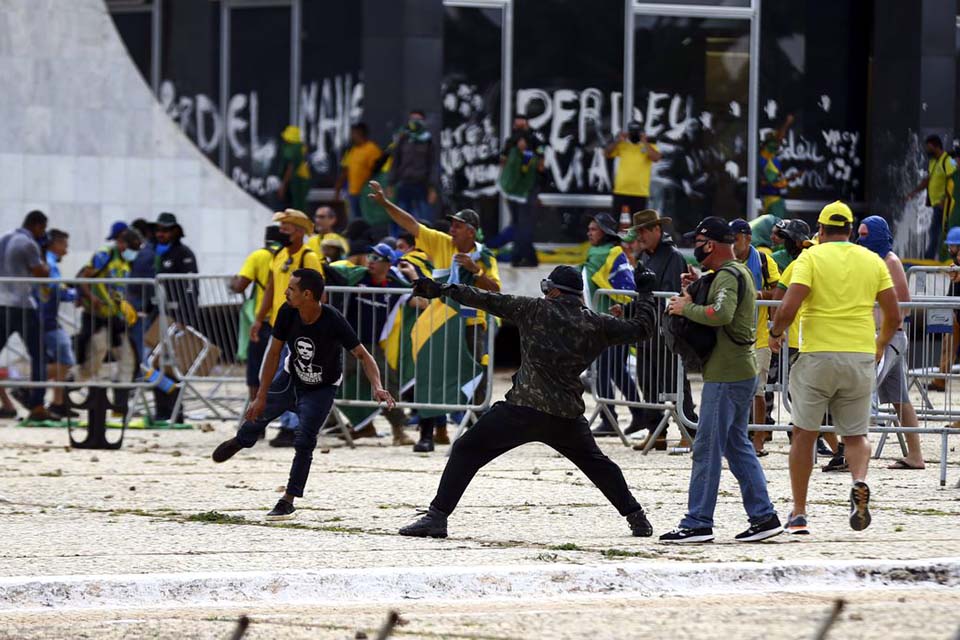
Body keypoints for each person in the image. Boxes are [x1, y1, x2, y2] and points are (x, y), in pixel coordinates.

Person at [398, 264, 659, 539]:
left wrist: (441, 289)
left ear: (554, 291)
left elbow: (486, 299)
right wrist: (645, 292)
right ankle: (637, 518)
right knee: (599, 466)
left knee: (465, 450)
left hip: (522, 410)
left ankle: (436, 518)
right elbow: (642, 329)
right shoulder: (596, 323)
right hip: (566, 416)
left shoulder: (534, 309)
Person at [212, 269, 396, 520]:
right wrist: (261, 395)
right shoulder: (287, 312)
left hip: (321, 388)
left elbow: (363, 355)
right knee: (256, 417)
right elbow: (274, 353)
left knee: (305, 440)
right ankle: (241, 441)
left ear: (307, 294)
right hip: (290, 378)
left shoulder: (333, 319)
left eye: (291, 289)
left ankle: (288, 499)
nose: (286, 292)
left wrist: (377, 386)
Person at [770, 201, 900, 535]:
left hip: (817, 356)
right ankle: (859, 481)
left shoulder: (811, 257)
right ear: (851, 230)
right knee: (856, 436)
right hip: (859, 355)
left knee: (804, 434)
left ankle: (799, 513)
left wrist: (775, 333)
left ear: (822, 230)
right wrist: (881, 344)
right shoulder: (872, 260)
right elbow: (894, 314)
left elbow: (788, 306)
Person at [660, 217, 781, 544]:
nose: (695, 247)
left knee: (706, 447)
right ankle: (764, 516)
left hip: (727, 376)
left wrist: (685, 309)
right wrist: (697, 287)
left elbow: (722, 313)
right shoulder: (733, 272)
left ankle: (698, 521)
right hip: (736, 371)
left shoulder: (728, 274)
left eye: (698, 241)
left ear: (710, 244)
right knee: (737, 445)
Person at [369, 181, 500, 450]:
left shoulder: (484, 256)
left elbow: (496, 289)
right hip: (439, 322)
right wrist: (384, 204)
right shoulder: (441, 243)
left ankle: (476, 435)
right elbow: (411, 224)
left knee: (475, 377)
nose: (451, 230)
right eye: (451, 225)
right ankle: (427, 434)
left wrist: (476, 271)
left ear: (471, 231)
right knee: (431, 375)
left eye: (457, 226)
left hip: (471, 324)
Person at [250, 209, 324, 446]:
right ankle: (269, 422)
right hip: (279, 325)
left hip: (301, 327)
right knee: (272, 376)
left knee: (294, 379)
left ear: (299, 231)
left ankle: (292, 428)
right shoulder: (279, 254)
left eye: (286, 227)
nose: (281, 231)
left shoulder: (309, 257)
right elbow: (271, 288)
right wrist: (259, 318)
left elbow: (320, 292)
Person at [330, 242, 414, 447]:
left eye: (377, 258)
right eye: (369, 256)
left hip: (372, 346)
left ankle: (398, 430)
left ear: (388, 263)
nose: (370, 261)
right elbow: (332, 273)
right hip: (347, 342)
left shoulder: (396, 283)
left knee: (385, 385)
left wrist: (412, 275)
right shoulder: (358, 276)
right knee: (328, 381)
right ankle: (311, 425)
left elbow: (420, 299)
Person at [858, 216, 925, 470]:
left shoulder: (890, 261)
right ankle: (915, 455)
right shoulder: (872, 261)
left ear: (876, 234)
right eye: (859, 233)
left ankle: (852, 452)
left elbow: (904, 304)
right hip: (883, 336)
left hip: (889, 338)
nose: (860, 238)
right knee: (900, 400)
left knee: (862, 391)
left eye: (865, 234)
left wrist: (881, 332)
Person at [631, 209, 696, 446]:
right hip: (647, 330)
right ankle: (656, 431)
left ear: (658, 230)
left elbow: (669, 292)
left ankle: (689, 430)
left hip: (666, 330)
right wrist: (627, 310)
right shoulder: (645, 257)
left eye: (645, 230)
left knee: (675, 381)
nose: (641, 236)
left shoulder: (672, 256)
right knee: (646, 381)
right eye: (639, 231)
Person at [582, 213, 645, 435]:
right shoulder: (596, 253)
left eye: (594, 229)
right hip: (600, 322)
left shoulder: (614, 253)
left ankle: (613, 418)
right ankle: (633, 415)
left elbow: (626, 289)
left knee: (608, 370)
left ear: (605, 232)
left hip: (614, 323)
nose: (589, 232)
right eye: (589, 229)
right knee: (612, 371)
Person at [75, 228, 143, 415]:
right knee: (93, 361)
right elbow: (83, 278)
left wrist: (124, 307)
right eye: (132, 247)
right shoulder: (104, 255)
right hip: (96, 317)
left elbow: (116, 289)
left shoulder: (126, 264)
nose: (134, 252)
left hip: (114, 318)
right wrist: (92, 298)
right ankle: (68, 387)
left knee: (128, 360)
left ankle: (119, 408)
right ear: (121, 243)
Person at [730, 219, 780, 456]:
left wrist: (760, 294)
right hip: (731, 334)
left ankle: (759, 437)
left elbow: (779, 292)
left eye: (735, 238)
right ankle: (736, 435)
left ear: (747, 238)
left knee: (758, 390)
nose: (732, 242)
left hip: (759, 334)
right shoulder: (725, 260)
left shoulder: (762, 259)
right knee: (731, 388)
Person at [0, 211, 50, 421]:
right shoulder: (28, 244)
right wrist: (44, 256)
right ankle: (37, 404)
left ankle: (11, 403)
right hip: (22, 305)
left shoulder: (4, 238)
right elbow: (41, 272)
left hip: (1, 303)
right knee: (39, 354)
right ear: (37, 226)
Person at [152, 212, 199, 422]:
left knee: (174, 365)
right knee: (154, 364)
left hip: (176, 317)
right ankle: (161, 410)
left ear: (174, 231)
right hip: (157, 316)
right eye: (159, 230)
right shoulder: (154, 252)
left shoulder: (184, 253)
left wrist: (185, 319)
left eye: (165, 230)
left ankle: (175, 412)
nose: (161, 234)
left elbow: (191, 287)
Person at [232, 226, 283, 402]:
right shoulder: (288, 257)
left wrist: (233, 282)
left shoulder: (258, 256)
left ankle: (255, 413)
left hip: (264, 320)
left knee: (256, 369)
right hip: (286, 320)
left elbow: (240, 286)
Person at [35, 229, 77, 418]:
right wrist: (76, 294)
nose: (66, 251)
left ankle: (58, 403)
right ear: (55, 244)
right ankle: (26, 383)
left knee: (59, 360)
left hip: (45, 318)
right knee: (66, 359)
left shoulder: (46, 260)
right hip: (47, 319)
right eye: (64, 246)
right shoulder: (50, 262)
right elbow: (56, 289)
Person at [499, 113, 545, 267]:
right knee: (518, 223)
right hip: (513, 189)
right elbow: (503, 161)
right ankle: (522, 256)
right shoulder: (510, 143)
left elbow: (540, 163)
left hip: (528, 189)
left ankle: (523, 257)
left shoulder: (534, 140)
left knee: (524, 224)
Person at [908, 135, 957, 260]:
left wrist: (945, 199)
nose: (927, 151)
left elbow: (952, 182)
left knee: (940, 232)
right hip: (936, 204)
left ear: (937, 147)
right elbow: (928, 180)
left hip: (945, 205)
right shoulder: (934, 162)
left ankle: (937, 257)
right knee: (935, 231)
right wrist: (914, 192)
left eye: (930, 148)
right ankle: (934, 257)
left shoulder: (947, 162)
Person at [388, 110, 437, 222]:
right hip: (404, 184)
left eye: (418, 120)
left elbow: (433, 165)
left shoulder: (428, 140)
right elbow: (395, 161)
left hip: (421, 185)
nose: (414, 122)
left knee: (424, 219)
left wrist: (432, 188)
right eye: (412, 119)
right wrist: (391, 184)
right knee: (401, 218)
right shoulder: (403, 138)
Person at [605, 121, 662, 216]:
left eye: (637, 132)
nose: (635, 135)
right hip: (621, 190)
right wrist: (618, 140)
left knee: (637, 226)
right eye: (633, 132)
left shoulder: (649, 146)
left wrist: (644, 141)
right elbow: (606, 153)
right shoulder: (622, 145)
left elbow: (656, 158)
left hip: (640, 192)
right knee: (613, 222)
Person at [335, 123, 382, 221]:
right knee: (354, 220)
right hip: (352, 192)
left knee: (366, 219)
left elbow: (377, 171)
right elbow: (345, 171)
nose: (351, 136)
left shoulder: (372, 149)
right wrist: (338, 189)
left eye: (353, 133)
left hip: (366, 193)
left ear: (360, 133)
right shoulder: (353, 150)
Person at [758, 114, 794, 218]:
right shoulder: (764, 157)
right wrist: (787, 123)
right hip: (769, 199)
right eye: (775, 142)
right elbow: (770, 181)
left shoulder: (774, 158)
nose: (779, 143)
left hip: (775, 197)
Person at [277, 125, 312, 212]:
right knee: (300, 207)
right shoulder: (301, 147)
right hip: (302, 179)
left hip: (295, 182)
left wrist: (283, 185)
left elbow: (291, 167)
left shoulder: (293, 149)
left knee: (294, 209)